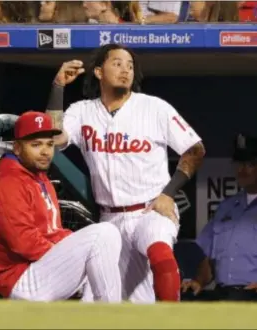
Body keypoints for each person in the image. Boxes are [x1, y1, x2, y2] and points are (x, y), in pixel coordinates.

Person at [45, 44, 205, 303]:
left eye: (130, 65)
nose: (125, 70)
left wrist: (169, 193)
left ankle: (175, 320)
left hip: (150, 208)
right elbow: (53, 137)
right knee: (111, 306)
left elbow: (195, 149)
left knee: (160, 250)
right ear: (98, 72)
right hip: (110, 220)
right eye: (117, 63)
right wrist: (58, 86)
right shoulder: (82, 111)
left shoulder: (154, 107)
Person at [0, 111, 123, 302]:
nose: (46, 151)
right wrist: (65, 252)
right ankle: (112, 317)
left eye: (49, 144)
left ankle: (93, 318)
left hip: (40, 267)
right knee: (103, 233)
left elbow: (52, 231)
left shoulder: (39, 177)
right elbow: (23, 242)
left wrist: (69, 246)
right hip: (21, 278)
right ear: (16, 148)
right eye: (36, 145)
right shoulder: (8, 181)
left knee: (104, 246)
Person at [182, 134, 257, 302]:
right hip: (224, 294)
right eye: (238, 164)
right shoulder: (226, 207)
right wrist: (198, 281)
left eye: (250, 164)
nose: (242, 170)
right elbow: (209, 262)